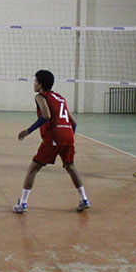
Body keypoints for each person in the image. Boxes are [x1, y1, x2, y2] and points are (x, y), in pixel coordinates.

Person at [13, 69, 89, 213]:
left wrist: (28, 131)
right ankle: (84, 199)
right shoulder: (60, 98)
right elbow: (74, 122)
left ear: (40, 84)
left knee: (33, 168)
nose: (34, 84)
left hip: (55, 136)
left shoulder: (40, 97)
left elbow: (46, 115)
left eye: (35, 81)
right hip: (68, 135)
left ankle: (22, 203)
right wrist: (71, 139)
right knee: (70, 167)